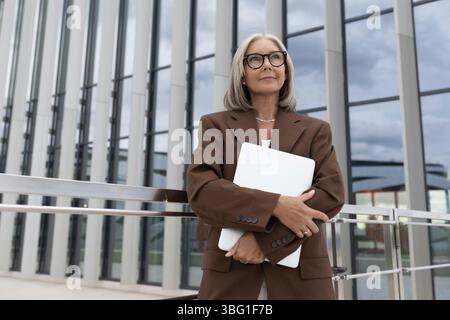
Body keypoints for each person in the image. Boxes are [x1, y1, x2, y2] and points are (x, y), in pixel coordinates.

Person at [186, 33, 345, 300]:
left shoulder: (316, 130)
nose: (268, 65)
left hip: (301, 276)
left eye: (275, 58)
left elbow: (330, 194)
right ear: (242, 75)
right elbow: (203, 191)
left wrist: (263, 241)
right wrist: (275, 205)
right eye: (256, 59)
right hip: (231, 273)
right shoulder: (216, 126)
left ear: (286, 71)